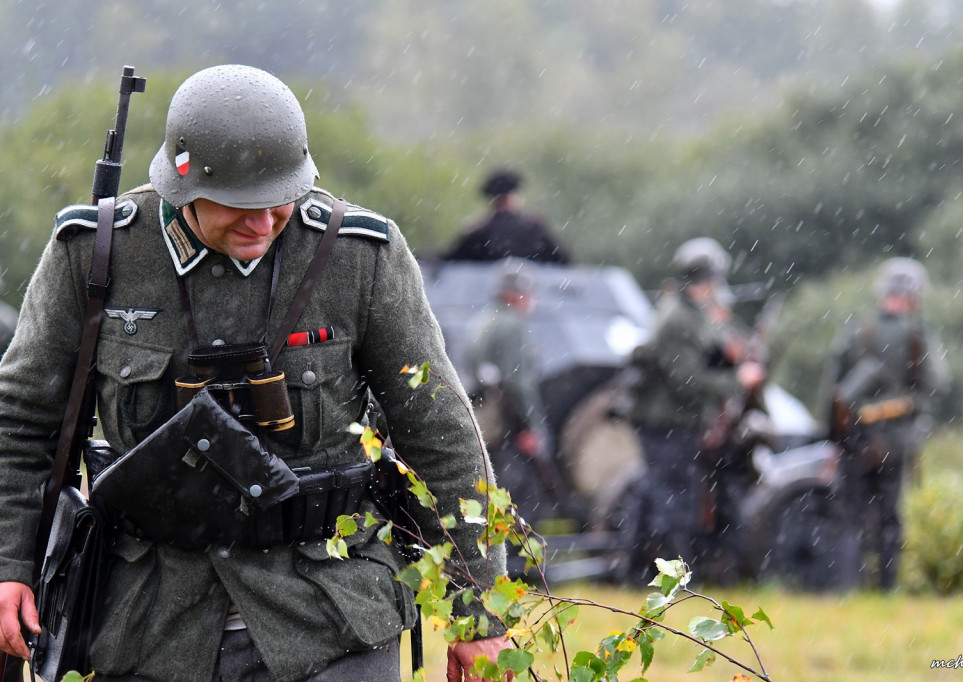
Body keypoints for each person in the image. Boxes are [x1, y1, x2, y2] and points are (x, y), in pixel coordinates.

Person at [0, 64, 511, 681]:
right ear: (181, 186)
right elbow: (22, 422)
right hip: (142, 622)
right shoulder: (94, 255)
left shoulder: (359, 256)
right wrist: (9, 563)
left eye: (280, 203)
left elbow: (439, 431)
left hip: (331, 614)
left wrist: (478, 611)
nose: (265, 223)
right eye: (240, 206)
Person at [624, 238, 765, 584]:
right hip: (666, 424)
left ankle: (653, 574)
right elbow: (686, 379)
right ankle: (672, 579)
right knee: (672, 504)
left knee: (670, 498)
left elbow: (707, 351)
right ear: (708, 279)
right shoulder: (677, 319)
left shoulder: (688, 312)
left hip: (677, 423)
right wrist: (737, 381)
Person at [820, 256, 951, 591]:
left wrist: (831, 437)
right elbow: (938, 382)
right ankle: (887, 588)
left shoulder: (856, 330)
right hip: (897, 437)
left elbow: (832, 391)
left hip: (856, 437)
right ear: (914, 295)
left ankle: (847, 586)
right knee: (890, 516)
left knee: (851, 515)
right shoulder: (917, 334)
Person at [463, 262, 562, 525]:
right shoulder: (512, 326)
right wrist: (530, 427)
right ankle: (518, 565)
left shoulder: (482, 321)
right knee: (522, 506)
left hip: (486, 427)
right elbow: (519, 383)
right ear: (515, 294)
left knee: (492, 502)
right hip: (509, 430)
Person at [443, 168, 570, 263]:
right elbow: (562, 261)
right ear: (516, 196)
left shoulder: (479, 231)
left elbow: (452, 260)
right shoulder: (533, 228)